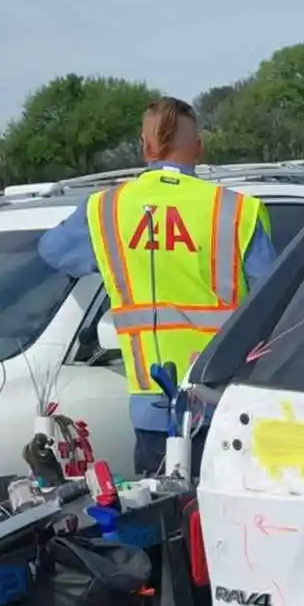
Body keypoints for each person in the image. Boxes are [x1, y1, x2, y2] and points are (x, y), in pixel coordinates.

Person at [37, 96, 282, 474]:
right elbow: (274, 299)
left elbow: (52, 251)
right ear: (198, 148)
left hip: (153, 406)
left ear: (144, 146)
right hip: (225, 401)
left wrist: (116, 253)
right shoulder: (234, 209)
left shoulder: (107, 209)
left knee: (168, 522)